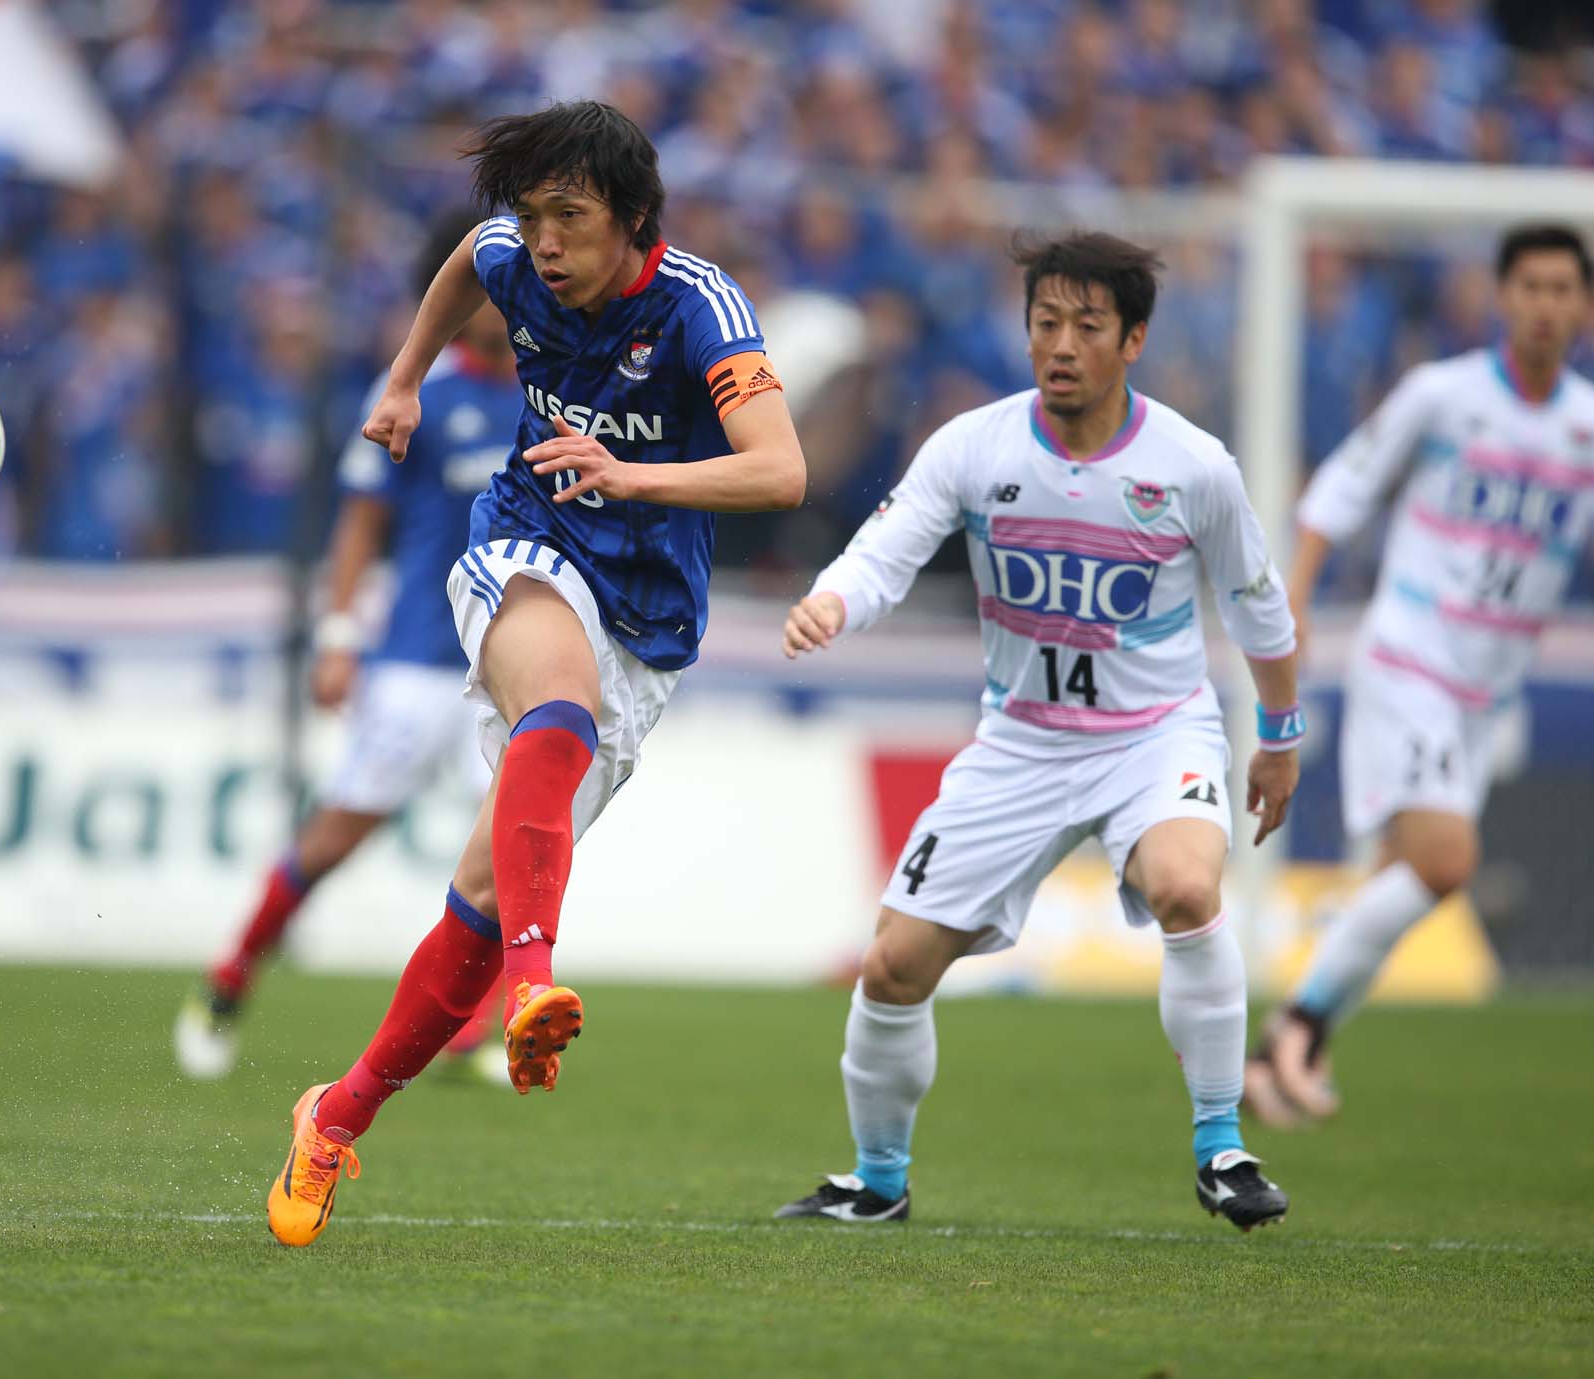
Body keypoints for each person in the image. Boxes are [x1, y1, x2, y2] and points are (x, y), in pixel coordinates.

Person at [265, 100, 806, 1247]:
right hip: (525, 540)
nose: (542, 241)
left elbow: (780, 472)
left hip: (648, 613)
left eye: (571, 216)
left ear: (635, 221)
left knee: (474, 904)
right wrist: (405, 376)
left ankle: (336, 1112)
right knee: (551, 707)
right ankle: (534, 985)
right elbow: (468, 257)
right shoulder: (514, 255)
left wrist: (632, 474)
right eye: (532, 215)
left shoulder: (699, 306)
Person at [774, 232, 1299, 1233]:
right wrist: (832, 601)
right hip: (1019, 741)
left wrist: (1278, 734)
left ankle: (1221, 1145)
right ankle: (877, 1181)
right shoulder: (975, 445)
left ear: (1132, 338)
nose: (1059, 344)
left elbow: (1257, 606)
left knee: (1186, 884)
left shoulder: (1193, 466)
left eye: (1085, 326)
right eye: (1043, 323)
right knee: (892, 966)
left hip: (1153, 734)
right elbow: (885, 549)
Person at [1245, 225, 1594, 1125]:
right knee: (1447, 861)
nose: (1548, 305)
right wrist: (1297, 601)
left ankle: (1285, 1039)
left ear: (1584, 307)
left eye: (1565, 289)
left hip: (1490, 688)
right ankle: (1299, 1024)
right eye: (1532, 287)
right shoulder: (1442, 397)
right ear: (1502, 297)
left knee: (1405, 872)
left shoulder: (1583, 428)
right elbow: (1343, 487)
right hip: (1413, 656)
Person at [173, 212, 522, 1084]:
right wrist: (337, 636)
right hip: (416, 661)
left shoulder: (557, 391)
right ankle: (228, 978)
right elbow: (361, 522)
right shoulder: (422, 391)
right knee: (333, 840)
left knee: (517, 848)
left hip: (514, 668)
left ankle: (484, 1024)